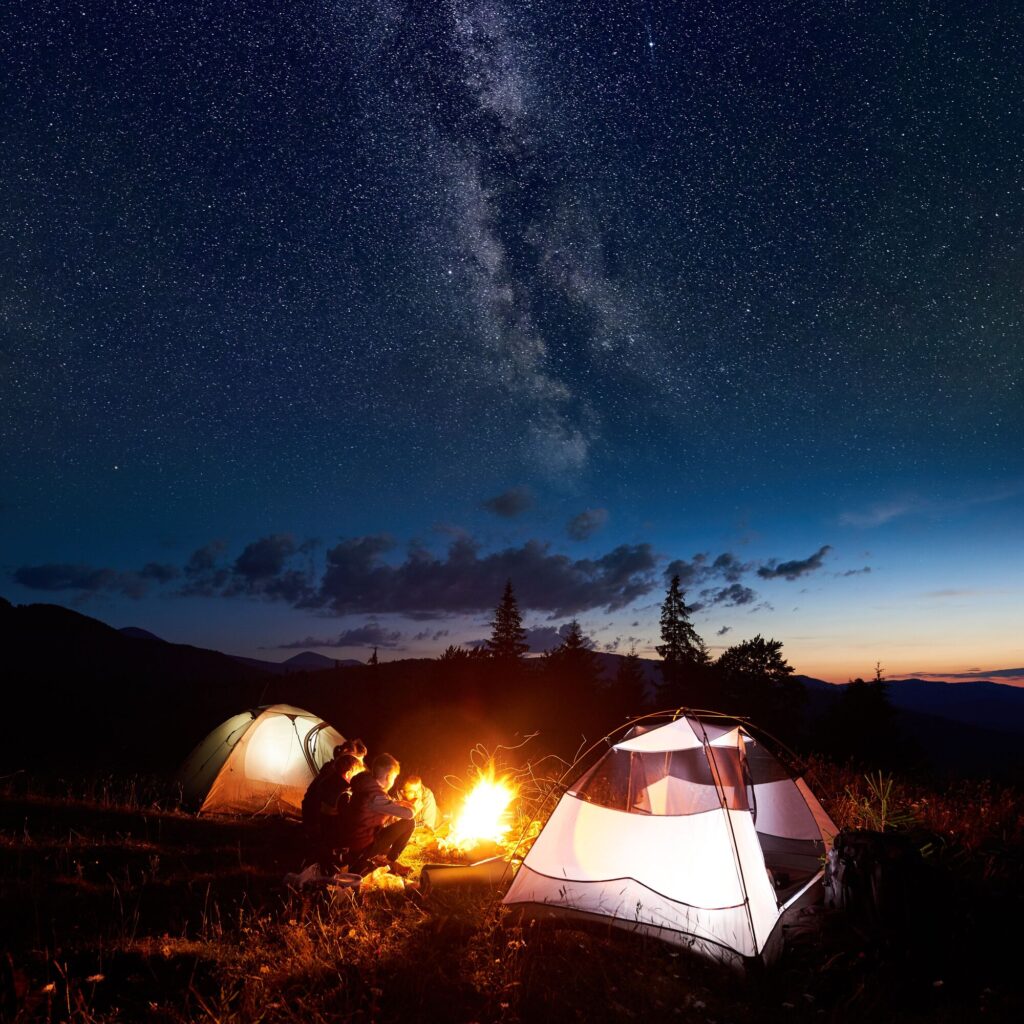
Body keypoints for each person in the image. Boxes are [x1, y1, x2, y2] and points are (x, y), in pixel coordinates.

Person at [339, 752, 416, 876]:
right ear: (388, 776)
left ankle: (378, 858)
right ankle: (390, 860)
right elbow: (409, 814)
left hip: (354, 839)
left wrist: (395, 803)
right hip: (362, 846)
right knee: (409, 823)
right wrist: (410, 805)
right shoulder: (376, 796)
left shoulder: (365, 784)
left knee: (387, 830)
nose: (393, 781)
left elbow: (378, 806)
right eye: (394, 777)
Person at [302, 752, 362, 870]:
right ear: (349, 773)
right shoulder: (344, 792)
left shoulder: (326, 781)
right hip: (331, 832)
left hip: (317, 824)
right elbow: (347, 818)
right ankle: (341, 860)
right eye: (357, 775)